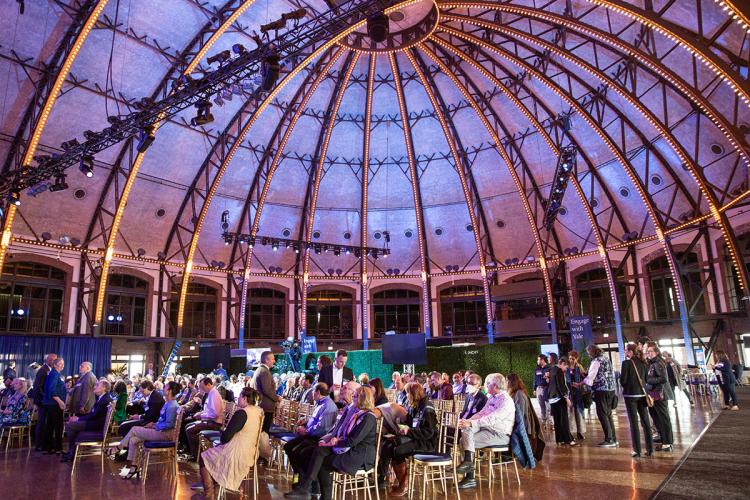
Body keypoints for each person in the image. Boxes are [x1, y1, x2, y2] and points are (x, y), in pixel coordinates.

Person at [284, 386, 378, 500]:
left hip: (359, 456)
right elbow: (340, 432)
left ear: (364, 399)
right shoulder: (357, 413)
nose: (352, 397)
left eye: (355, 396)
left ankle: (310, 490)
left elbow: (352, 441)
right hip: (347, 448)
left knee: (321, 459)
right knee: (315, 452)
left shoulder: (368, 417)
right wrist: (329, 441)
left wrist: (332, 443)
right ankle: (308, 489)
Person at [198, 386, 264, 498]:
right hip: (251, 453)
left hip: (237, 454)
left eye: (239, 397)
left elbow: (225, 439)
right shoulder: (258, 412)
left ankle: (209, 494)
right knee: (213, 453)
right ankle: (216, 486)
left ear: (244, 398)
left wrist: (222, 430)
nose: (238, 399)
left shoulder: (242, 413)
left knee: (204, 458)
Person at [456, 373, 516, 489]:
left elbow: (493, 418)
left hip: (499, 434)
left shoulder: (506, 401)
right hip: (486, 429)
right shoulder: (492, 397)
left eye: (487, 384)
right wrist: (467, 421)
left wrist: (472, 423)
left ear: (494, 385)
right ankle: (468, 464)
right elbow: (482, 413)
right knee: (465, 432)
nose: (484, 386)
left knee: (465, 440)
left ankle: (470, 476)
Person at [112, 381, 182, 479]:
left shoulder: (172, 405)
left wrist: (155, 426)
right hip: (161, 430)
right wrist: (154, 424)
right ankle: (134, 467)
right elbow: (163, 421)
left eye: (165, 387)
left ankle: (119, 447)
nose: (163, 388)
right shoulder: (168, 403)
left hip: (166, 434)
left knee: (134, 429)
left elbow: (169, 425)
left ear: (169, 391)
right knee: (133, 440)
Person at [379, 382, 438, 496]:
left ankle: (403, 484)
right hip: (416, 438)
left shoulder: (427, 408)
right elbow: (411, 423)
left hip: (426, 443)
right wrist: (400, 424)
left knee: (397, 450)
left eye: (407, 393)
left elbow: (429, 433)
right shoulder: (415, 405)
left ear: (413, 394)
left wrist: (409, 431)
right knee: (389, 443)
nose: (405, 396)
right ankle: (383, 477)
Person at [284, 383, 339, 477]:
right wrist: (306, 422)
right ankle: (299, 476)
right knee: (288, 446)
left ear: (317, 392)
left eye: (313, 391)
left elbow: (322, 428)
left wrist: (306, 431)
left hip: (318, 438)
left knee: (297, 451)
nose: (312, 394)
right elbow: (316, 420)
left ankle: (301, 478)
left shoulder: (328, 405)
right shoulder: (321, 402)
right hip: (310, 435)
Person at [61, 380, 113, 462]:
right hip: (95, 422)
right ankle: (72, 452)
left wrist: (78, 419)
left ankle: (72, 453)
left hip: (97, 425)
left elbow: (94, 415)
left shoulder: (105, 399)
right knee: (72, 423)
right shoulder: (101, 397)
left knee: (70, 425)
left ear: (104, 388)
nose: (95, 387)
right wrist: (78, 418)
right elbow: (93, 414)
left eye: (97, 385)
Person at [620, 342, 653, 458]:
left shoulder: (626, 363)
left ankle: (637, 450)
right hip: (642, 394)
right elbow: (646, 379)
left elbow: (623, 381)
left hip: (630, 396)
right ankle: (650, 449)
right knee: (645, 422)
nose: (624, 352)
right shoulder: (643, 363)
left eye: (626, 350)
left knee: (634, 423)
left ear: (630, 351)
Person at [584, 344, 618, 447]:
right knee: (608, 414)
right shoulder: (606, 358)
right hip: (611, 389)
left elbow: (591, 378)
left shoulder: (596, 361)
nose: (588, 355)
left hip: (601, 390)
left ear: (592, 352)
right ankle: (613, 438)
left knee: (602, 415)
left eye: (589, 353)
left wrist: (583, 383)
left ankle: (609, 439)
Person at [185, 377, 225, 460]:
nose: (202, 389)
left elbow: (215, 414)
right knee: (187, 426)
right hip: (210, 421)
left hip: (215, 424)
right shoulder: (211, 393)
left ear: (209, 384)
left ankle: (199, 456)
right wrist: (201, 413)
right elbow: (208, 410)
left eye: (203, 387)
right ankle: (195, 453)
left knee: (190, 430)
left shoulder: (214, 394)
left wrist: (201, 415)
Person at [507, 373, 544, 461]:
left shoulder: (519, 394)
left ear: (511, 382)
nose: (505, 383)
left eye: (506, 381)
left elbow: (520, 413)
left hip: (523, 425)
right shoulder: (514, 393)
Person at [645, 342, 674, 452]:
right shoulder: (652, 362)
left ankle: (667, 443)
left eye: (650, 351)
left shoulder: (658, 362)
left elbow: (663, 379)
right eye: (647, 352)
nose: (648, 353)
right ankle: (664, 440)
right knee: (657, 419)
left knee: (663, 419)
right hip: (653, 394)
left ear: (656, 352)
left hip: (659, 395)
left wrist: (648, 380)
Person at [548, 357, 576, 446]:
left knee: (557, 420)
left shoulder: (552, 369)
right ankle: (568, 439)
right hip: (559, 398)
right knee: (564, 420)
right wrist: (566, 398)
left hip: (552, 398)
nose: (566, 369)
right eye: (566, 367)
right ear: (563, 363)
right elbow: (561, 385)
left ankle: (559, 439)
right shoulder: (559, 371)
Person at [252, 351, 281, 433]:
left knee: (261, 432)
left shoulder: (259, 370)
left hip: (261, 406)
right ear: (266, 360)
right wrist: (277, 398)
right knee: (264, 434)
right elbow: (266, 390)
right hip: (265, 408)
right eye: (273, 359)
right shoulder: (264, 371)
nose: (274, 361)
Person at [42, 357, 67, 454]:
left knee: (50, 426)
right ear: (55, 364)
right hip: (54, 404)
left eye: (63, 364)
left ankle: (49, 448)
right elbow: (51, 390)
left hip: (52, 404)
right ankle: (58, 449)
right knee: (57, 426)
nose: (62, 365)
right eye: (61, 363)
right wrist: (60, 402)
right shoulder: (54, 374)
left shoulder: (54, 373)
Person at [32, 353, 56, 451]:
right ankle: (40, 445)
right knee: (42, 423)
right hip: (43, 401)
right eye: (54, 360)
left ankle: (44, 444)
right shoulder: (43, 370)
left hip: (45, 401)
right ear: (48, 360)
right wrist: (45, 398)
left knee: (45, 423)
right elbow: (38, 386)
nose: (56, 362)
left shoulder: (48, 370)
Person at [567, 351, 587, 440]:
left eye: (573, 358)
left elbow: (585, 379)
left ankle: (580, 432)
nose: (571, 360)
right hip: (569, 392)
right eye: (570, 358)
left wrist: (580, 384)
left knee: (579, 412)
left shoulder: (579, 367)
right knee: (570, 412)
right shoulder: (566, 367)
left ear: (576, 358)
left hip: (578, 392)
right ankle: (571, 432)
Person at [533, 355, 550, 425]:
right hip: (538, 389)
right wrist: (534, 389)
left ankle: (550, 422)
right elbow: (535, 379)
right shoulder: (537, 369)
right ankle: (543, 421)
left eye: (539, 359)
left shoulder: (549, 368)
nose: (537, 361)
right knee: (541, 406)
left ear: (543, 360)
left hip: (546, 388)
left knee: (548, 406)